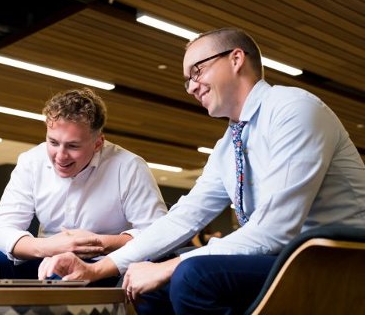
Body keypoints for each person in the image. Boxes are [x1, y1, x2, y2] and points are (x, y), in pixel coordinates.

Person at [37, 28, 365, 313]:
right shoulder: (228, 145)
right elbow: (185, 217)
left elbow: (277, 229)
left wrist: (176, 264)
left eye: (197, 71)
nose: (192, 87)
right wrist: (99, 268)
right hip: (286, 259)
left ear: (236, 59)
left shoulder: (294, 109)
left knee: (192, 276)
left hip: (338, 259)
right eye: (186, 81)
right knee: (141, 280)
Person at [0, 87, 167, 281]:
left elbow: (158, 235)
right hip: (44, 257)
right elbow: (0, 230)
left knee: (60, 276)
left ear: (98, 143)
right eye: (53, 142)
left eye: (73, 146)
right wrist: (48, 246)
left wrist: (97, 243)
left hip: (103, 264)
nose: (60, 156)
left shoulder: (129, 167)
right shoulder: (31, 161)